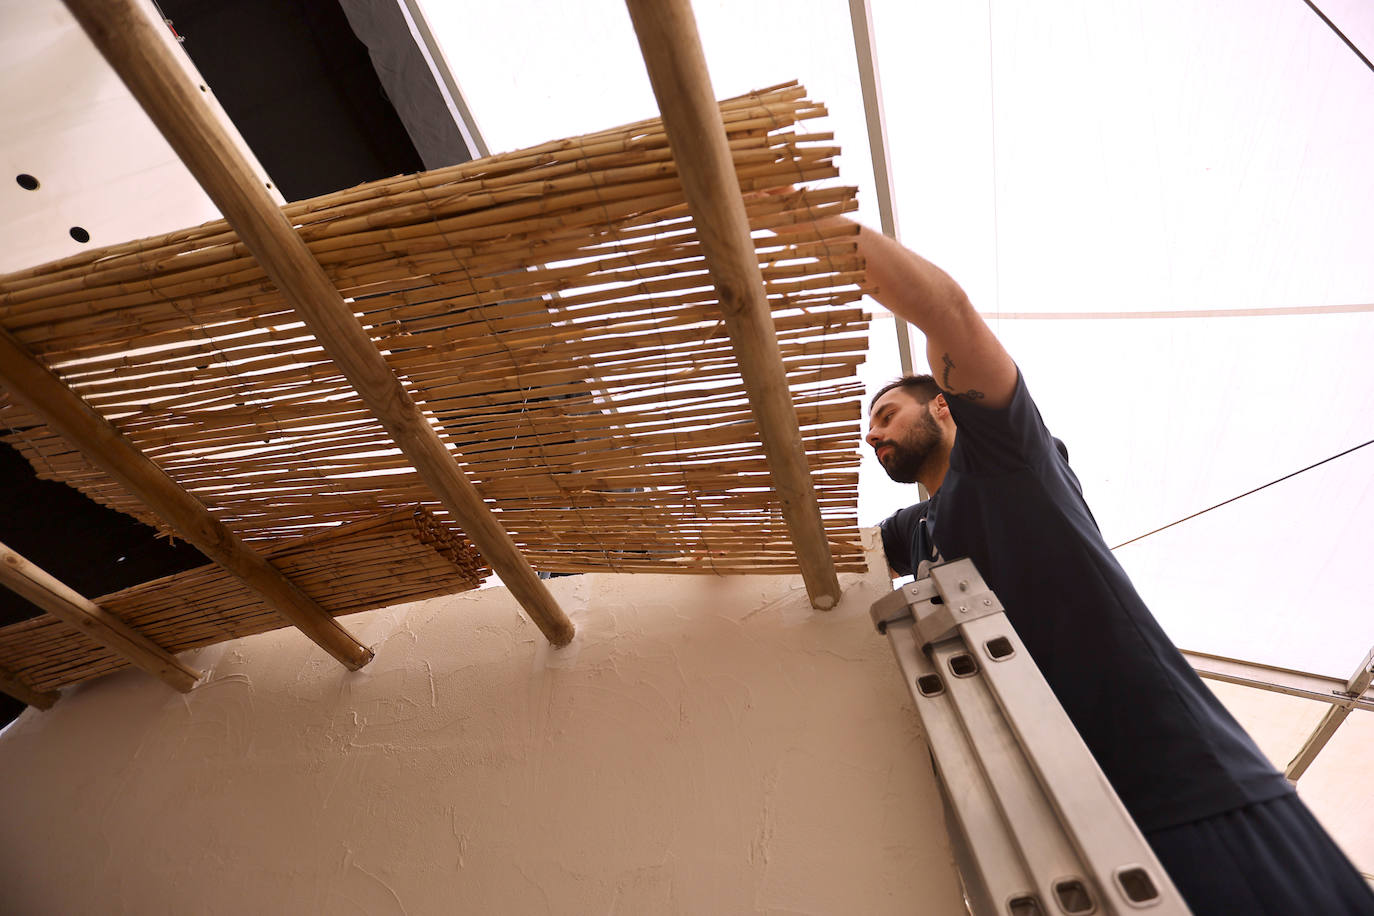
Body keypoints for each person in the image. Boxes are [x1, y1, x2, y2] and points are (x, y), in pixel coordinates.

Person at [851, 220, 1374, 914]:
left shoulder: (1004, 457)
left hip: (1190, 793)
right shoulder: (917, 533)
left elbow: (946, 310)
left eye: (886, 413)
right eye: (869, 426)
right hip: (1079, 838)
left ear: (944, 407)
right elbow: (835, 548)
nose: (873, 432)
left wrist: (816, 231)